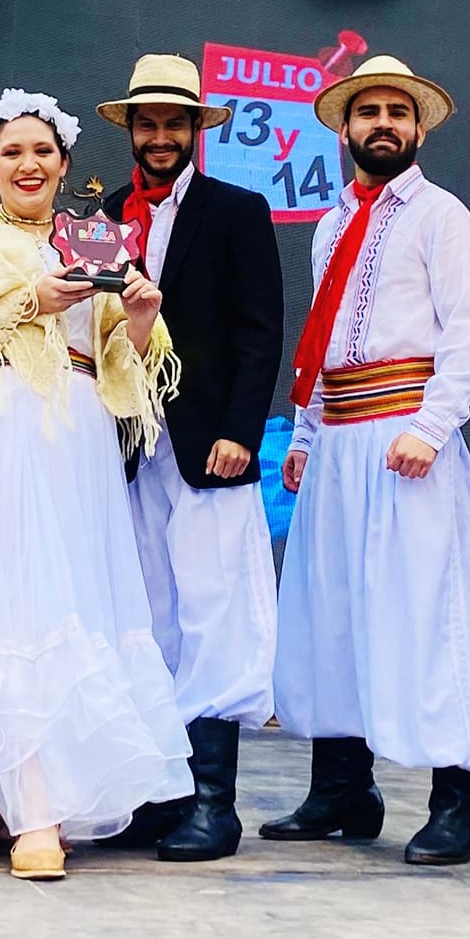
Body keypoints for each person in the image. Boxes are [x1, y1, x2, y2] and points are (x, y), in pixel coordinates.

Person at [0, 89, 191, 881]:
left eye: (43, 151)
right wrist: (33, 297)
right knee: (6, 605)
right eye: (12, 152)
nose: (29, 164)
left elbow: (126, 366)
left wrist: (137, 314)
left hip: (74, 439)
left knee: (64, 603)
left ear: (65, 164)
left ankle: (17, 801)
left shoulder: (92, 240)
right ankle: (34, 810)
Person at [264, 57, 470, 866]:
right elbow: (324, 340)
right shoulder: (332, 225)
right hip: (339, 433)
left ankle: (455, 802)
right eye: (369, 112)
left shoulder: (442, 216)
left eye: (399, 111)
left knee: (427, 612)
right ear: (345, 127)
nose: (384, 124)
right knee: (334, 612)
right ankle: (342, 787)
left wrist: (432, 427)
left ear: (420, 128)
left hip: (407, 431)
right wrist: (304, 435)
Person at [93, 54, 283, 862]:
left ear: (196, 130)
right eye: (149, 122)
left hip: (210, 443)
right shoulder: (103, 216)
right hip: (134, 447)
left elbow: (258, 329)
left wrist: (242, 426)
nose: (161, 135)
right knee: (151, 615)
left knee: (215, 611)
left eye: (176, 122)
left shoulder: (237, 209)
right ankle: (158, 791)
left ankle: (214, 801)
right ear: (131, 129)